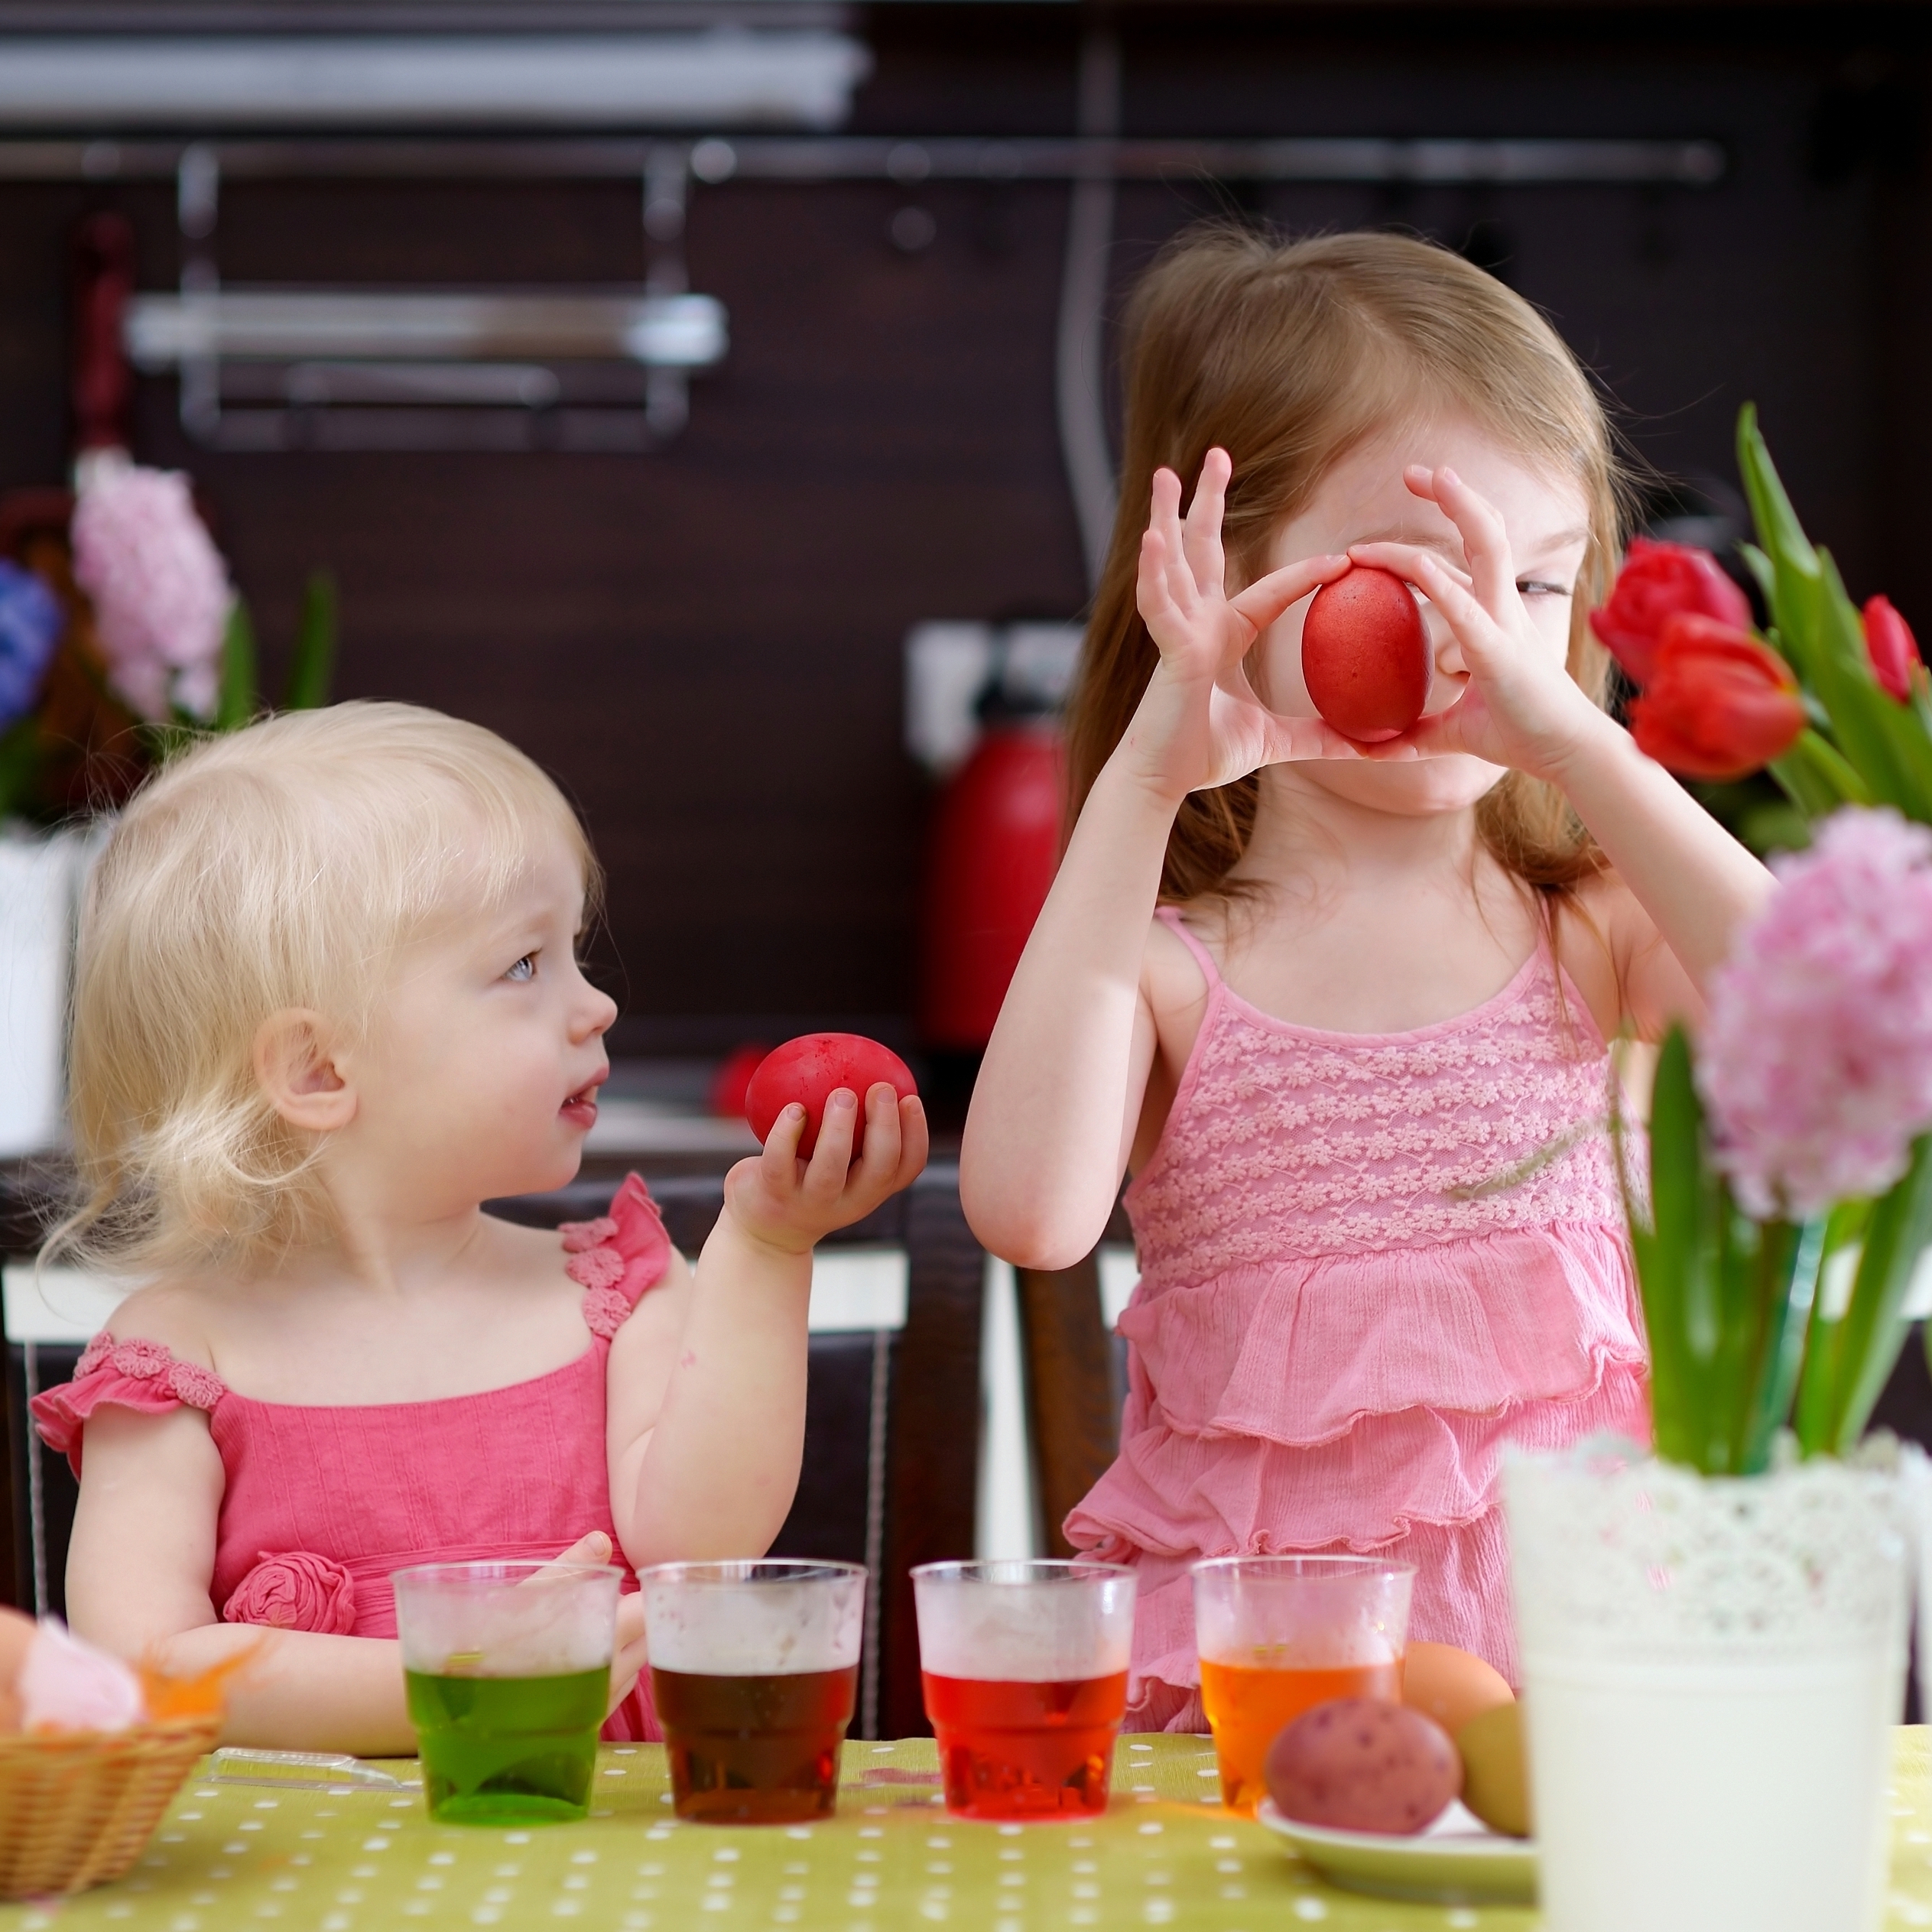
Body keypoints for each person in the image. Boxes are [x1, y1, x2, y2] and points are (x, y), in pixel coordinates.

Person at [960, 227, 1769, 1726]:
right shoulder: (1166, 968)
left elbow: (1829, 1020)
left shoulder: (1586, 918)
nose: (1484, 644)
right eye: (1422, 582)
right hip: (1260, 1723)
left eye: (1532, 586)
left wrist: (1586, 750)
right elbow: (1026, 1208)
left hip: (1594, 1707)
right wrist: (1146, 775)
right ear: (1220, 580)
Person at [32, 703, 927, 1752]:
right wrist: (461, 1668)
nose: (596, 1007)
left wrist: (770, 1249)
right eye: (523, 966)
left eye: (573, 954)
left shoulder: (617, 1290)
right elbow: (148, 1661)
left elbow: (705, 1541)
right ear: (320, 1071)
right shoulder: (179, 1354)